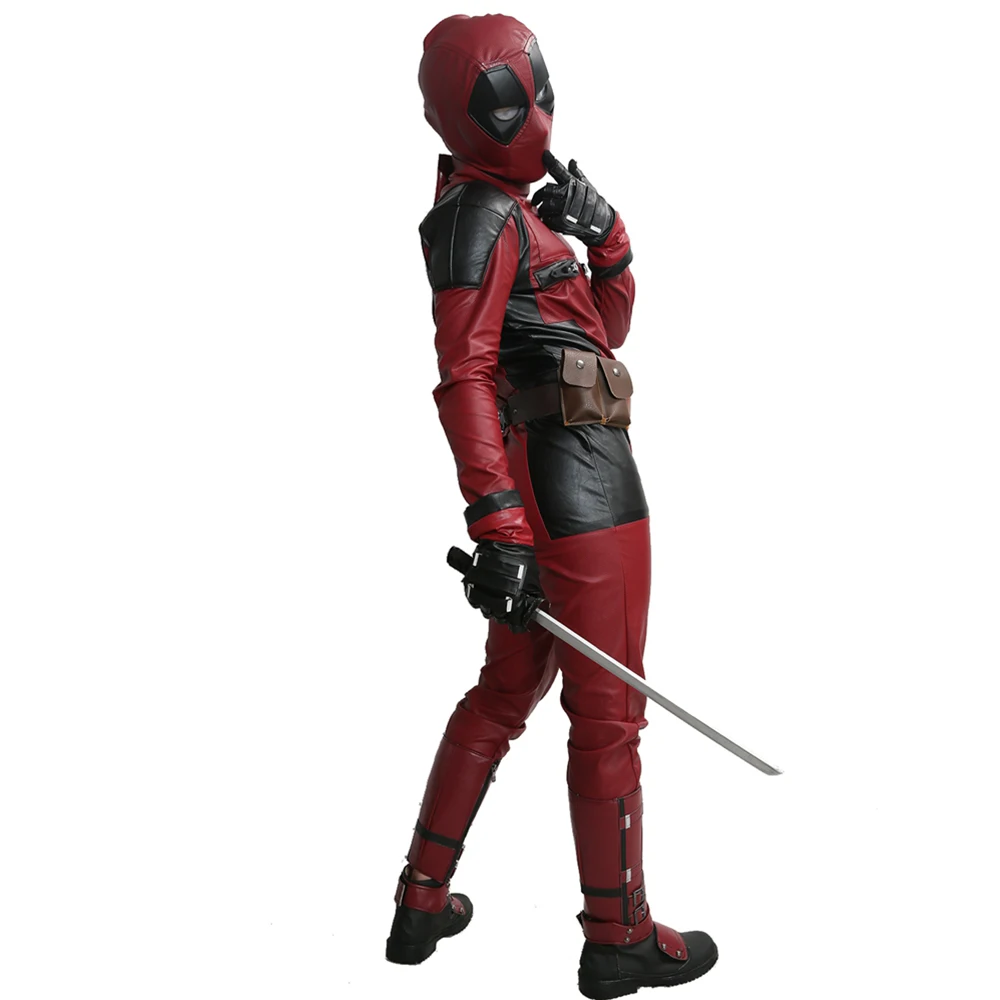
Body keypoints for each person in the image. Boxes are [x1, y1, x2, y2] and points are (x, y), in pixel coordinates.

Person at [385, 14, 718, 997]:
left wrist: (605, 239)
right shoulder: (484, 218)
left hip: (557, 486)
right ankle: (619, 935)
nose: (531, 113)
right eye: (507, 97)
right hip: (582, 486)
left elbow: (600, 335)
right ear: (466, 113)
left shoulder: (509, 215)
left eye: (534, 89)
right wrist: (495, 524)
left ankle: (420, 899)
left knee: (505, 692)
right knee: (608, 715)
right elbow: (463, 374)